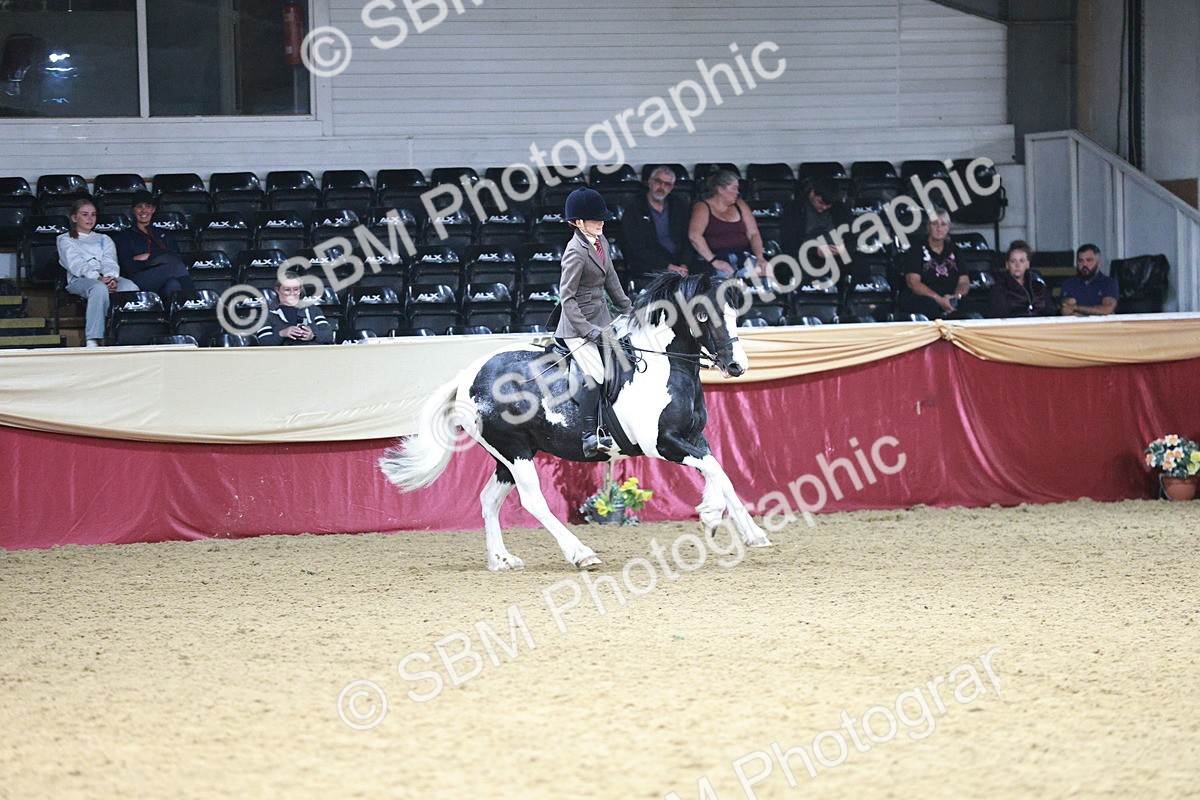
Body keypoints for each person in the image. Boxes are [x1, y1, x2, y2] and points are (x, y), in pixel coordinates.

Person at [555, 186, 633, 458]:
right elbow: (567, 298)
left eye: (601, 218)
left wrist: (628, 308)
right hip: (577, 326)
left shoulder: (602, 242)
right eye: (594, 219)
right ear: (577, 222)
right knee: (597, 374)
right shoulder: (575, 251)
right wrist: (587, 330)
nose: (601, 222)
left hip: (601, 319)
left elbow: (611, 279)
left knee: (624, 362)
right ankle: (589, 434)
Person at [57, 197, 139, 347]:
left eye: (93, 214)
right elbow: (75, 264)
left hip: (106, 278)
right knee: (98, 288)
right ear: (74, 218)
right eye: (85, 214)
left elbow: (109, 260)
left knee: (130, 287)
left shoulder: (104, 238)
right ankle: (93, 338)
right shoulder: (65, 239)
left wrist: (111, 277)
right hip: (80, 280)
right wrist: (97, 278)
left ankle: (126, 333)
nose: (90, 218)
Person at [113, 190, 195, 303]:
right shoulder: (125, 235)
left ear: (153, 209)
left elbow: (176, 257)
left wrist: (148, 256)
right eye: (139, 206)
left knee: (173, 285)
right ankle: (197, 302)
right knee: (176, 268)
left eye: (148, 206)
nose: (143, 210)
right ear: (133, 210)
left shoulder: (164, 234)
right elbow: (128, 266)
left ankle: (178, 318)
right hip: (138, 279)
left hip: (163, 278)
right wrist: (161, 258)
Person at [687, 169, 766, 276]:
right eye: (734, 188)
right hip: (716, 261)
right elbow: (694, 236)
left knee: (766, 275)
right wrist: (714, 261)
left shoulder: (740, 204)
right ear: (720, 189)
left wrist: (760, 258)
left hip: (743, 257)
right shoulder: (703, 207)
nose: (737, 192)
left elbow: (753, 233)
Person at [618, 165, 693, 276]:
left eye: (667, 184)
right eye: (658, 181)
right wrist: (668, 267)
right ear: (650, 182)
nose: (662, 187)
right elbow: (637, 246)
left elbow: (687, 239)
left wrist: (684, 265)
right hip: (648, 264)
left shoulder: (679, 205)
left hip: (678, 261)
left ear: (672, 188)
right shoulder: (634, 208)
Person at [896, 208, 969, 320]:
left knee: (974, 307)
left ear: (948, 228)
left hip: (950, 297)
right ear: (928, 226)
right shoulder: (916, 249)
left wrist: (955, 297)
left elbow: (964, 282)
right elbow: (913, 283)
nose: (939, 228)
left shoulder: (956, 250)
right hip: (924, 298)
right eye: (935, 224)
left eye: (943, 224)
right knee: (930, 308)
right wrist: (938, 299)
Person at [779, 176, 853, 267]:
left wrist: (844, 248)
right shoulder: (794, 209)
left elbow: (852, 238)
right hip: (806, 255)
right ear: (812, 192)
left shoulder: (840, 208)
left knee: (859, 261)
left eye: (828, 205)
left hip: (836, 254)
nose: (824, 207)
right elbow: (789, 243)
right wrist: (815, 251)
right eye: (820, 202)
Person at [255, 272, 334, 345]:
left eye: (296, 289)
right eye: (287, 290)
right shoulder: (268, 315)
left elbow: (329, 335)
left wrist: (313, 335)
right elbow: (263, 343)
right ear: (277, 290)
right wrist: (282, 334)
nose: (292, 294)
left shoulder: (313, 310)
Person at [988, 240, 1055, 318]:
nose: (1017, 265)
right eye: (1013, 261)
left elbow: (1051, 313)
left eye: (1022, 261)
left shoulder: (1038, 286)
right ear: (1007, 265)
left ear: (1027, 264)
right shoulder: (999, 288)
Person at [1060, 244, 1118, 316]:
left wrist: (1076, 307)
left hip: (1102, 326)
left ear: (1099, 263)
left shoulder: (1108, 283)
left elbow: (1107, 309)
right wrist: (1098, 312)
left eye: (1089, 260)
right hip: (1077, 326)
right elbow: (1067, 311)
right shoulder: (1069, 283)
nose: (1084, 264)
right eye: (1080, 261)